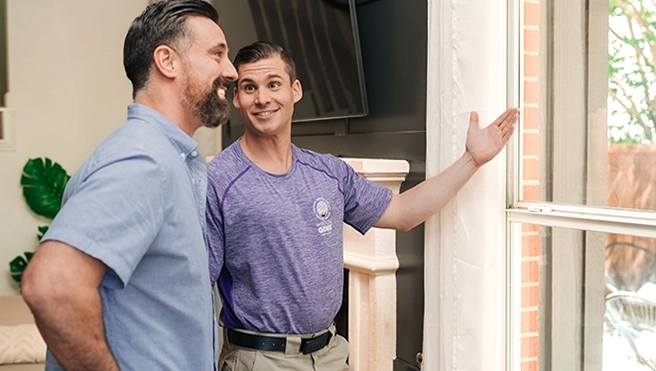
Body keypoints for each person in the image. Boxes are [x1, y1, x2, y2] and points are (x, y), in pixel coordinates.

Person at [205, 41, 518, 371]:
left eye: (273, 84)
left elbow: (402, 212)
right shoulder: (218, 180)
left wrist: (471, 160)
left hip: (331, 355)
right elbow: (195, 290)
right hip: (260, 360)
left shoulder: (329, 172)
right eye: (249, 87)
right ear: (237, 97)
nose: (263, 98)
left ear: (295, 91)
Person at [20, 1, 237, 370]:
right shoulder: (144, 161)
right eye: (217, 54)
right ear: (167, 62)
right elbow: (53, 285)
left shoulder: (167, 158)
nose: (230, 71)